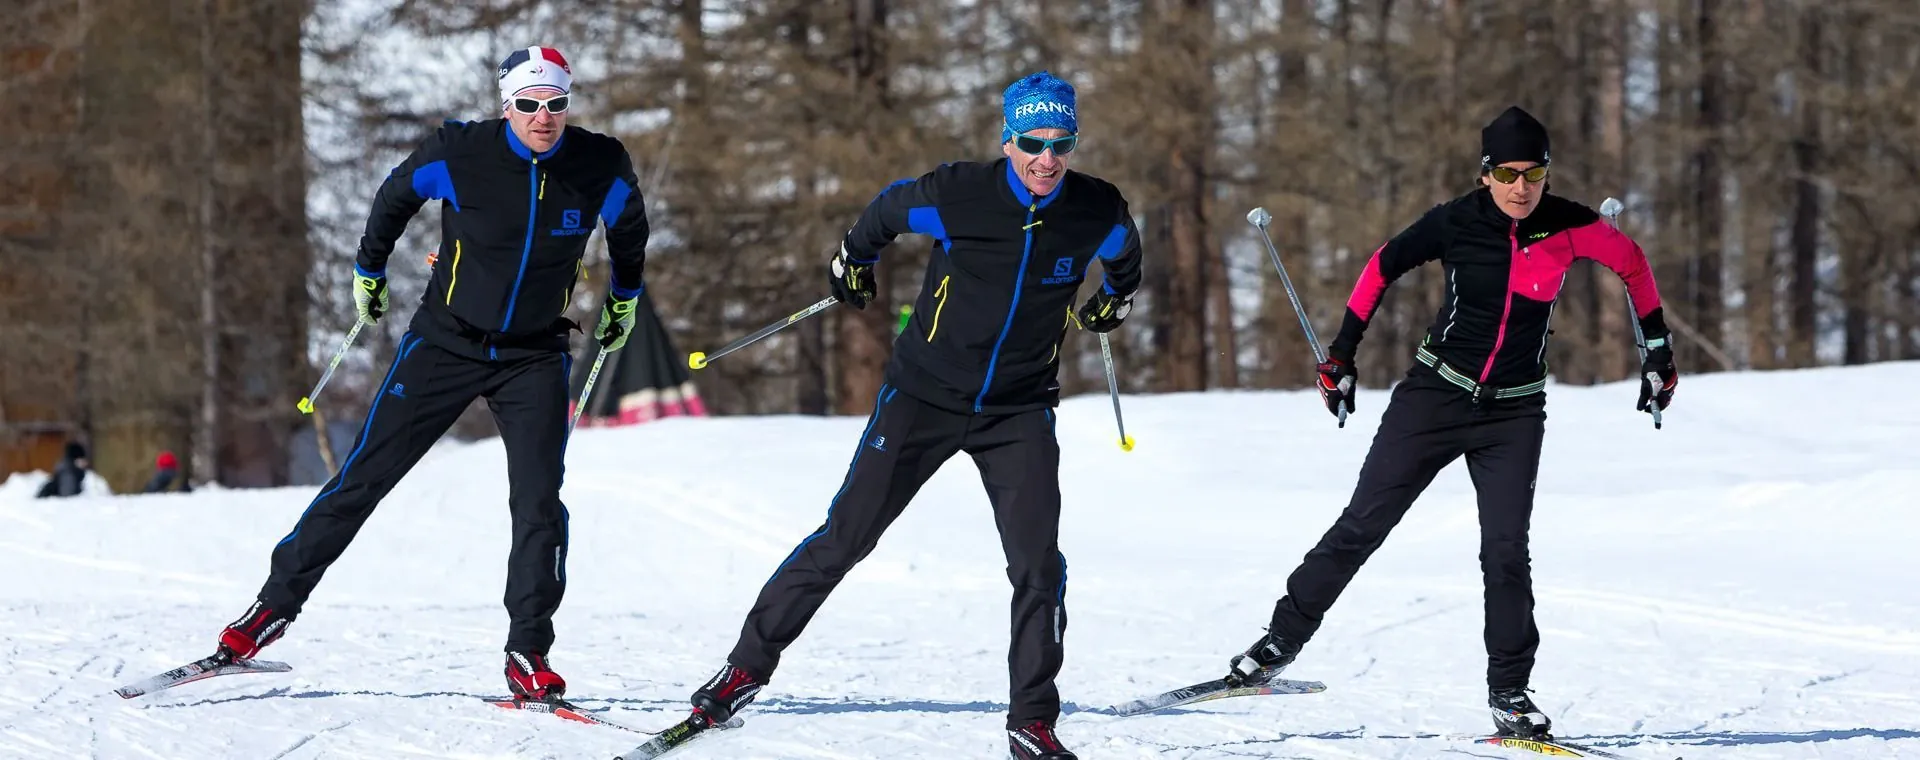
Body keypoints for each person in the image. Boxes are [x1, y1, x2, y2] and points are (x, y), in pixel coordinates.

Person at [676, 71, 1143, 760]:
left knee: (1038, 565)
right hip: (924, 394)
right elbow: (886, 213)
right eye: (1031, 141)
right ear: (1006, 138)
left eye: (1062, 142)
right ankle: (744, 669)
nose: (1047, 158)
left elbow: (1126, 255)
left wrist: (1116, 299)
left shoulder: (1093, 207)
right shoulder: (958, 194)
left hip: (1017, 408)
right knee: (845, 537)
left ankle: (1032, 720)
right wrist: (851, 261)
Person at [1220, 106, 1679, 740]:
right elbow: (1382, 265)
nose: (1522, 188)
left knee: (1505, 553)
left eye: (1536, 173)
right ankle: (1277, 643)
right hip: (1434, 396)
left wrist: (1658, 354)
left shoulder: (1572, 226)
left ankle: (1511, 694)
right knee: (1361, 526)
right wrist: (1342, 355)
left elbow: (1633, 265)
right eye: (1509, 173)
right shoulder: (1457, 221)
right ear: (1486, 172)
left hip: (1514, 411)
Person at [211, 45, 651, 703]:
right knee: (363, 478)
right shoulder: (461, 152)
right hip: (445, 343)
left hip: (534, 356)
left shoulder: (598, 164)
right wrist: (368, 269)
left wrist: (624, 298)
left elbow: (630, 228)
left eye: (556, 103)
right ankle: (271, 609)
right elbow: (394, 195)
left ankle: (528, 652)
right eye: (528, 104)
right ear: (506, 106)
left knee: (538, 504)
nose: (543, 116)